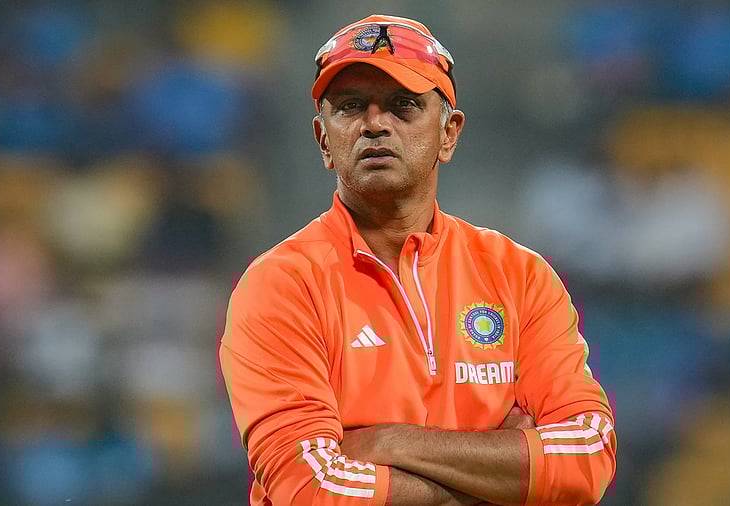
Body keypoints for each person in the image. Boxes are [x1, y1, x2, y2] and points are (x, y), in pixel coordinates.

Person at [220, 14, 616, 506]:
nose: (374, 124)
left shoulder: (520, 276)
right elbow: (310, 490)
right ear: (325, 141)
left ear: (449, 134)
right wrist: (502, 472)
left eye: (403, 105)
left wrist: (388, 443)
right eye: (349, 107)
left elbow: (588, 456)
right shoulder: (281, 285)